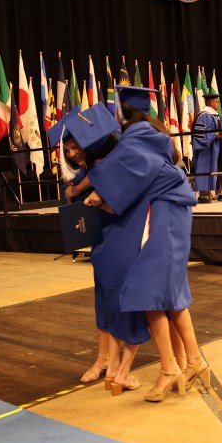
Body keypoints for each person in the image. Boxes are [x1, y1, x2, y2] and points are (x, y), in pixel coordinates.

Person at [85, 85, 210, 402]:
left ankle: (172, 368)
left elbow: (124, 169)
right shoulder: (153, 134)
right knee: (169, 297)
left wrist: (98, 193)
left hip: (165, 214)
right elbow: (135, 173)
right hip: (170, 213)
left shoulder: (137, 136)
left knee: (148, 293)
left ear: (125, 112)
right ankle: (193, 361)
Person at [57, 105, 147, 393]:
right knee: (103, 297)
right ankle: (104, 359)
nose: (72, 154)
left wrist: (85, 190)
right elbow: (87, 185)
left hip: (123, 230)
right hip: (102, 235)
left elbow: (112, 186)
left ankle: (122, 366)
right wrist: (74, 191)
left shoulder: (121, 158)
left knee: (120, 296)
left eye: (75, 147)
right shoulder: (90, 166)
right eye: (68, 150)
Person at [191, 92, 222, 203]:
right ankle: (203, 194)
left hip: (214, 146)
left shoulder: (214, 114)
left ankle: (210, 192)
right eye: (217, 102)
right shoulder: (204, 115)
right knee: (204, 167)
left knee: (213, 168)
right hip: (205, 148)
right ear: (211, 102)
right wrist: (215, 135)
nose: (218, 104)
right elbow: (201, 134)